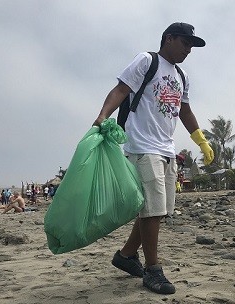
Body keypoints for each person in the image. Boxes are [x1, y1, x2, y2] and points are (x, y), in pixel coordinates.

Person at [93, 22, 214, 295]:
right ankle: (152, 270)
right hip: (141, 145)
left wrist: (200, 139)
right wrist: (103, 116)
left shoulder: (181, 75)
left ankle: (125, 256)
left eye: (191, 46)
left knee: (157, 209)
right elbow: (121, 90)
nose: (188, 50)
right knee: (153, 209)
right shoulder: (147, 61)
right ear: (168, 39)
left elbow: (184, 110)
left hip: (167, 149)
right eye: (185, 43)